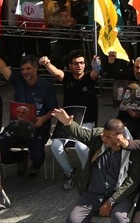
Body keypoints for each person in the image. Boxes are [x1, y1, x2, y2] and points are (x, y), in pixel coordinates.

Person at [51, 109, 140, 223]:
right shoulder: (99, 137)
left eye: (108, 137)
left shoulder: (133, 151)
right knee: (73, 220)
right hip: (93, 194)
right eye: (104, 134)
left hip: (119, 196)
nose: (103, 138)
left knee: (120, 219)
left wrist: (111, 201)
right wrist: (68, 123)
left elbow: (133, 180)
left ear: (120, 138)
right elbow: (82, 134)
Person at [0, 44, 58, 177]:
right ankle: (20, 157)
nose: (25, 72)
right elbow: (3, 67)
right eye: (23, 69)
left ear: (36, 68)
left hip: (38, 127)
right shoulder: (18, 80)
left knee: (37, 155)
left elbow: (53, 110)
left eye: (28, 68)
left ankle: (36, 165)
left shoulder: (46, 86)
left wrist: (43, 119)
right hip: (17, 126)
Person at [42, 51, 102, 190]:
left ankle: (88, 172)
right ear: (70, 66)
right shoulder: (67, 77)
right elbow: (57, 73)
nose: (79, 66)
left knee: (80, 146)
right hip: (67, 120)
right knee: (55, 146)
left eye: (82, 63)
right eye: (76, 63)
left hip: (86, 121)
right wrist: (46, 63)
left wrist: (97, 66)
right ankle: (69, 172)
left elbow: (95, 73)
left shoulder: (89, 77)